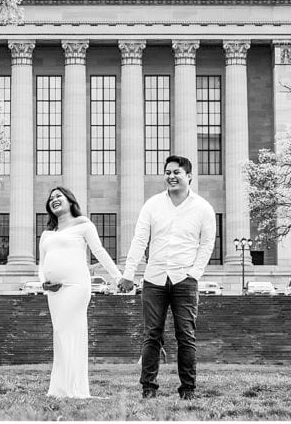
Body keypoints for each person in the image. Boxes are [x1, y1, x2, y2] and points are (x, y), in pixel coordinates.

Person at [118, 155, 216, 400]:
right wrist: (129, 274)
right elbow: (140, 239)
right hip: (154, 279)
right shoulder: (152, 205)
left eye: (177, 172)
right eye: (168, 172)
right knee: (152, 334)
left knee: (186, 335)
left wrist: (194, 274)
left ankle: (188, 389)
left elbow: (207, 245)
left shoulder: (203, 208)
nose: (171, 176)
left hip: (185, 280)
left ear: (189, 176)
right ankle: (148, 387)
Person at [38, 186, 121, 398]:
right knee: (60, 334)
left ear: (69, 200)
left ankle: (73, 389)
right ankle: (60, 388)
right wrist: (43, 283)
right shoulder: (47, 234)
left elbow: (99, 252)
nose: (54, 199)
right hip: (53, 291)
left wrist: (118, 277)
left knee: (69, 332)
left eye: (59, 196)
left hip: (76, 286)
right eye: (51, 198)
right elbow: (41, 264)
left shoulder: (83, 224)